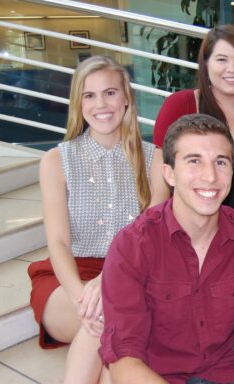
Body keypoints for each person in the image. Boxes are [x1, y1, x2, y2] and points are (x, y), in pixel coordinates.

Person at [99, 114, 234, 384]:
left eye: (221, 162)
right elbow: (124, 359)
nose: (210, 176)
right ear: (169, 173)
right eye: (194, 161)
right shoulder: (133, 246)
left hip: (225, 374)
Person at [27, 55, 168, 384]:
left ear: (126, 98)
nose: (101, 104)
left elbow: (148, 241)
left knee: (114, 325)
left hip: (134, 274)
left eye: (110, 92)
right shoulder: (55, 161)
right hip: (68, 280)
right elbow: (59, 243)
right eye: (89, 95)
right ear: (78, 103)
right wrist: (84, 297)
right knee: (110, 318)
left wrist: (109, 284)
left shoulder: (157, 160)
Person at [153, 24, 234, 219]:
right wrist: (156, 225)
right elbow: (161, 181)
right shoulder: (179, 105)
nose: (232, 69)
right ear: (206, 64)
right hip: (186, 223)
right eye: (222, 59)